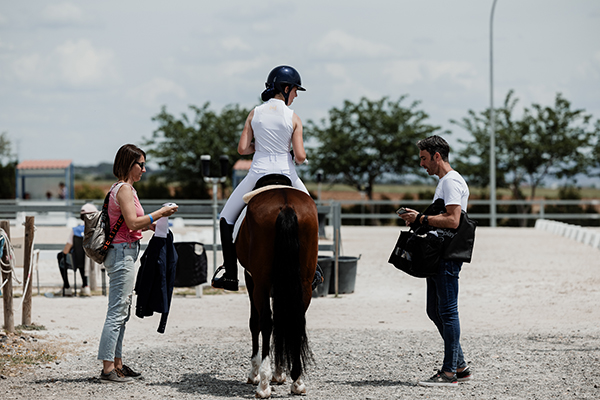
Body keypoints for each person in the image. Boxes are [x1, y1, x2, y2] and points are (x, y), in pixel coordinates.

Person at [211, 65, 310, 292]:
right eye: (295, 91)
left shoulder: (255, 113)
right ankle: (312, 270)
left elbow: (243, 149)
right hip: (287, 175)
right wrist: (298, 156)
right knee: (310, 212)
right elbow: (301, 156)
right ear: (285, 89)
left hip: (257, 174)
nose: (295, 96)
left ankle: (230, 274)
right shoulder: (294, 118)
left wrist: (261, 145)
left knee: (226, 219)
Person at [98, 144, 178, 383]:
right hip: (122, 253)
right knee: (117, 311)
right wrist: (160, 214)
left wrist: (152, 224)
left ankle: (118, 363)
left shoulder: (126, 189)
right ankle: (107, 368)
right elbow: (132, 223)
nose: (144, 169)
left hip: (126, 251)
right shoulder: (123, 189)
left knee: (122, 312)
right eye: (140, 164)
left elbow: (131, 222)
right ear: (128, 164)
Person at [398, 135, 472, 387]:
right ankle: (460, 366)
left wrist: (421, 219)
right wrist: (419, 219)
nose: (421, 164)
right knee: (434, 310)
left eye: (424, 158)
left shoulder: (451, 182)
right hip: (438, 254)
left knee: (448, 312)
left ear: (436, 156)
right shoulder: (445, 182)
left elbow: (453, 220)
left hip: (447, 255)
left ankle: (449, 372)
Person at [57, 203, 98, 296]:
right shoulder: (99, 229)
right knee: (85, 258)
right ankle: (85, 285)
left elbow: (66, 250)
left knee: (61, 255)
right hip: (96, 261)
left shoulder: (76, 230)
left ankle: (67, 286)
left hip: (78, 261)